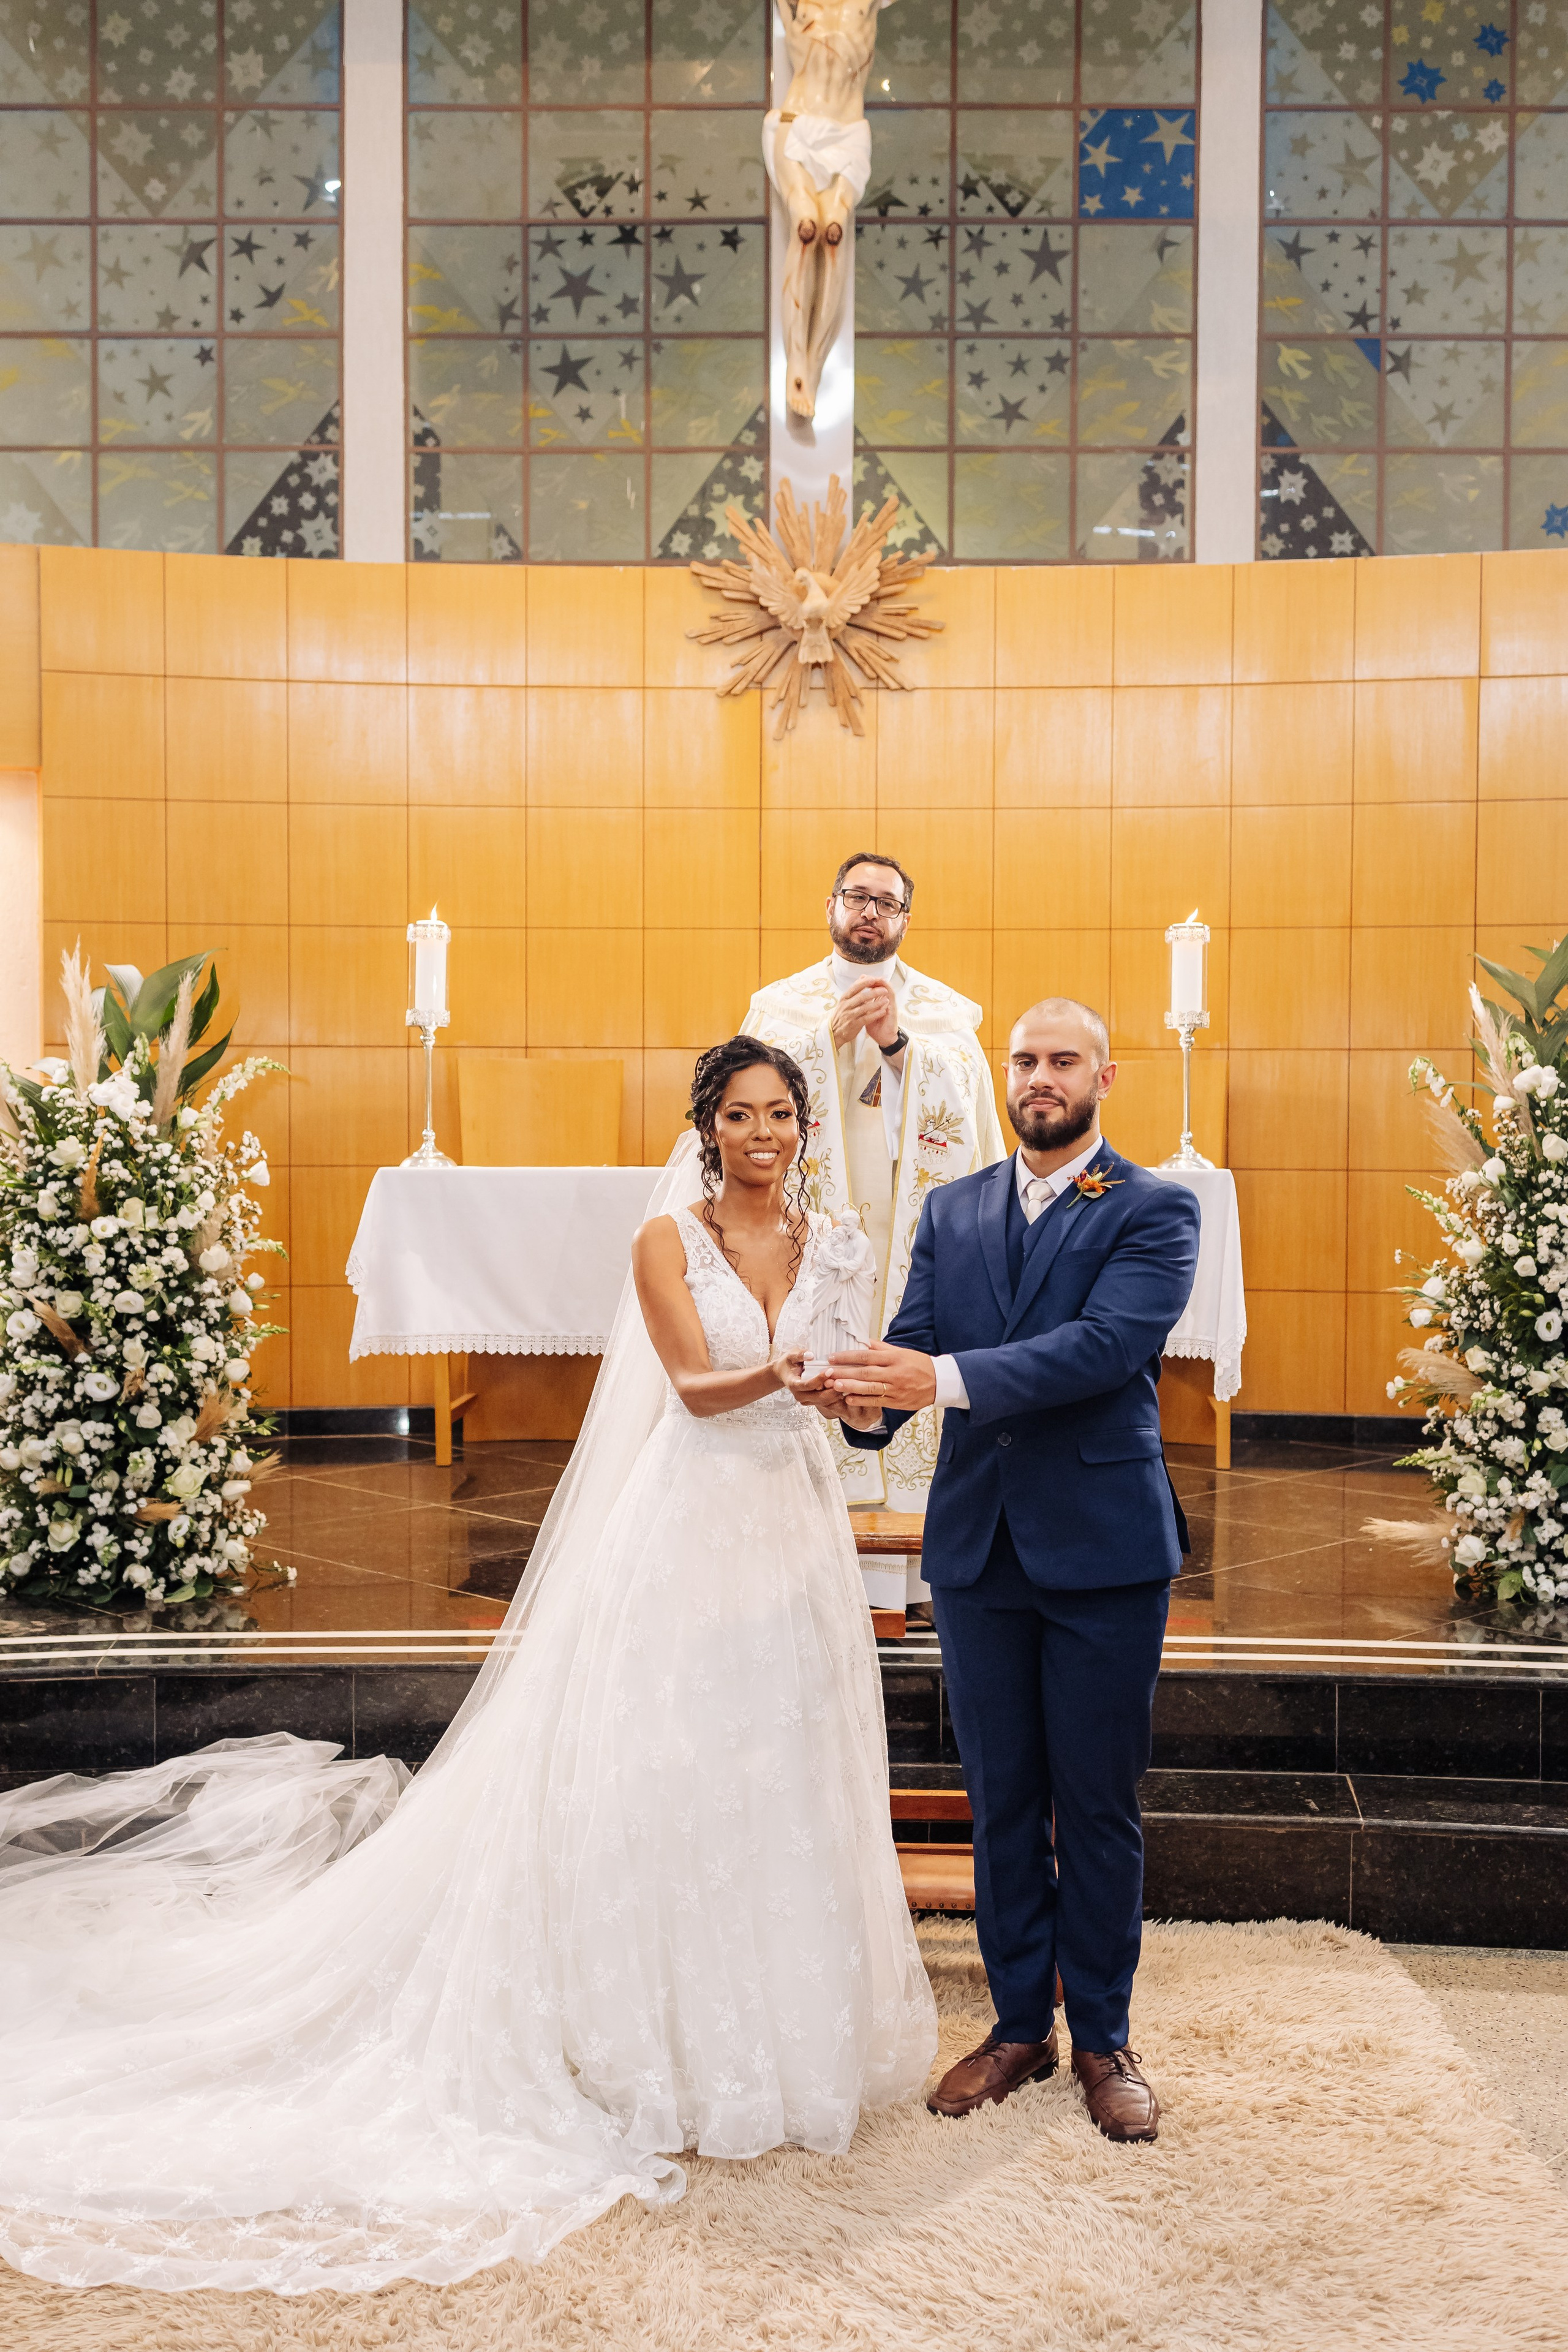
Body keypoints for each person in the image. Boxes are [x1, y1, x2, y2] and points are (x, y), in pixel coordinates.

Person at [0, 1038, 936, 2296]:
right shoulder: (667, 1241)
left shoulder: (831, 1243)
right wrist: (775, 1374)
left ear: (802, 1128)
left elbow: (850, 1390)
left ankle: (776, 2043)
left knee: (779, 1760)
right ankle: (648, 2040)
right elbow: (694, 1390)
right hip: (693, 1515)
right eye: (738, 1114)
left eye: (779, 1114)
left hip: (793, 1522)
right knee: (667, 1761)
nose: (760, 1133)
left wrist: (852, 1398)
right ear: (704, 1128)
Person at [815, 998, 1200, 2144]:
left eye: (1062, 1060)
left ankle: (1106, 2039)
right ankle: (1018, 2026)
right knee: (1002, 1805)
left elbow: (1105, 1350)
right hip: (981, 1549)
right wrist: (862, 1401)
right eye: (1024, 1060)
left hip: (1103, 1550)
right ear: (1005, 1074)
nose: (1040, 1077)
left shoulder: (1154, 1208)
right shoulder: (954, 1207)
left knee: (1094, 1803)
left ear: (1103, 1076)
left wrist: (936, 1382)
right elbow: (919, 1336)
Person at [743, 853, 1005, 1611]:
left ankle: (913, 1582)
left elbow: (972, 1120)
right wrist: (825, 1042)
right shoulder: (778, 1010)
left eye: (885, 903)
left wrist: (898, 1047)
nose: (869, 912)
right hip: (811, 1236)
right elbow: (746, 1102)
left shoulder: (947, 1017)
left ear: (904, 920)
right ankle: (812, 1580)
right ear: (830, 906)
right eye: (856, 897)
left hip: (911, 1237)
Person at [764, 0, 894, 418]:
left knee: (833, 234)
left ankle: (814, 367)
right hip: (795, 121)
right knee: (805, 228)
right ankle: (795, 367)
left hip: (848, 131)